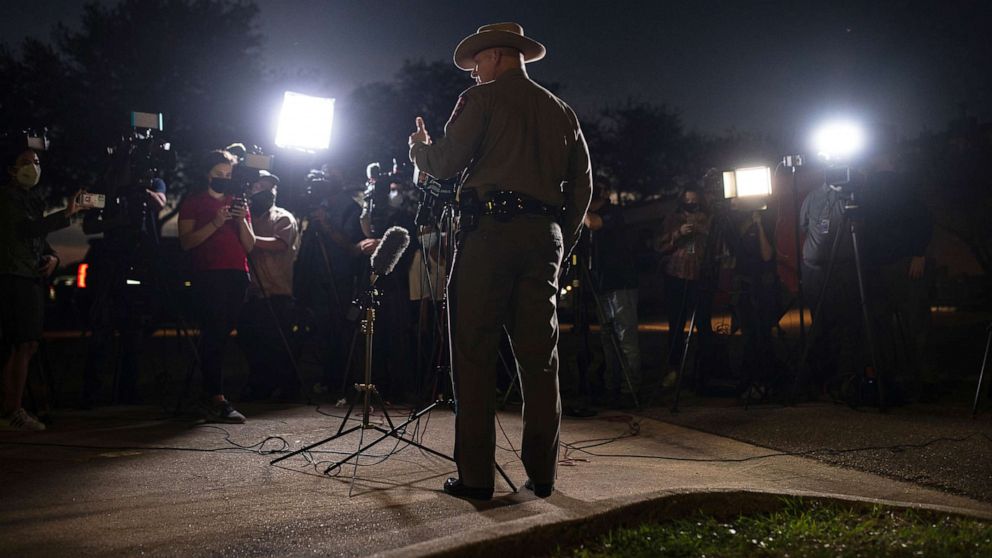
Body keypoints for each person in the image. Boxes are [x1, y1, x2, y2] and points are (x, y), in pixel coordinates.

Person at [408, 22, 592, 500]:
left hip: (488, 235)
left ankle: (475, 477)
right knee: (540, 360)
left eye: (475, 65)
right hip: (544, 236)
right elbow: (584, 188)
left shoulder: (482, 100)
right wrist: (558, 239)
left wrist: (418, 148)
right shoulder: (562, 110)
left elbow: (445, 163)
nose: (472, 74)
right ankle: (543, 475)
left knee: (472, 353)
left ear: (493, 56)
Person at [1, 142, 87, 430]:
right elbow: (24, 230)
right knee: (20, 344)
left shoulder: (31, 198)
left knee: (28, 345)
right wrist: (67, 213)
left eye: (36, 161)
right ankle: (11, 411)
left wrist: (52, 256)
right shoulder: (7, 198)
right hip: (13, 277)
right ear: (11, 170)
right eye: (26, 161)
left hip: (30, 277)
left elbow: (37, 239)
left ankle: (13, 408)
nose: (33, 167)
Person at [81, 144, 168, 405]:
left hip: (139, 260)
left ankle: (129, 389)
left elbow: (160, 203)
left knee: (134, 328)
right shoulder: (106, 182)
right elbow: (88, 225)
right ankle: (93, 390)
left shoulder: (154, 181)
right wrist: (117, 221)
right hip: (110, 260)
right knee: (102, 327)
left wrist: (143, 189)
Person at [178, 149, 254, 423]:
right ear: (206, 175)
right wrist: (215, 222)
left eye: (228, 175)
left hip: (237, 274)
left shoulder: (236, 201)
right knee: (213, 333)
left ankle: (209, 395)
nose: (224, 179)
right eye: (218, 174)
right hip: (208, 274)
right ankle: (215, 397)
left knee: (221, 336)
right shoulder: (193, 201)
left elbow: (250, 244)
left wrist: (240, 219)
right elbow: (186, 241)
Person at [237, 170, 301, 401]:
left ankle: (284, 388)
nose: (266, 192)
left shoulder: (283, 218)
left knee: (277, 344)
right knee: (252, 341)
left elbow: (280, 244)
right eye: (260, 187)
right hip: (252, 293)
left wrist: (250, 239)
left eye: (271, 188)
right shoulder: (248, 217)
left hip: (276, 291)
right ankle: (259, 385)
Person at [799, 170, 862, 396]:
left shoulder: (850, 194)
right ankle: (821, 377)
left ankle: (844, 377)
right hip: (813, 270)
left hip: (841, 269)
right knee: (819, 323)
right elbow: (804, 226)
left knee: (843, 322)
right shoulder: (812, 196)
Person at [584, 183, 641, 407]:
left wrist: (576, 204)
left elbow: (593, 223)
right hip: (601, 285)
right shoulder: (590, 213)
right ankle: (612, 386)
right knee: (608, 340)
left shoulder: (613, 212)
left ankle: (631, 388)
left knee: (626, 338)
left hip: (621, 283)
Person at [657, 186, 714, 383]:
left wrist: (703, 231)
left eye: (694, 201)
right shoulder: (673, 219)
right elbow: (660, 245)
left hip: (701, 276)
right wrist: (678, 233)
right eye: (687, 201)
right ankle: (674, 369)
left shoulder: (709, 218)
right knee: (676, 324)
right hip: (676, 275)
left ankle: (706, 369)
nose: (691, 205)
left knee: (703, 323)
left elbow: (717, 246)